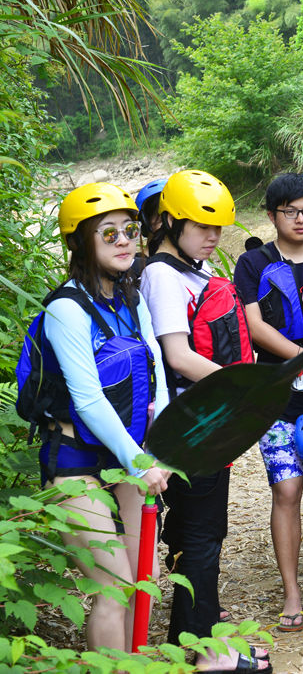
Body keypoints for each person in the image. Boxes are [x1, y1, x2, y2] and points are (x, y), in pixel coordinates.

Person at [26, 182, 170, 652]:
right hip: (73, 460)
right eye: (108, 234)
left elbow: (158, 373)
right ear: (79, 243)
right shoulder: (66, 310)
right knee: (113, 588)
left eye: (130, 230)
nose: (125, 240)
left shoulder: (131, 298)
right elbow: (87, 399)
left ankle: (135, 663)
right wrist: (140, 461)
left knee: (140, 582)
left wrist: (158, 447)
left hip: (126, 456)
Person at [141, 170, 269, 673]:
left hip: (205, 422)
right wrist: (243, 387)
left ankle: (196, 637)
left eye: (218, 227)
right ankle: (203, 650)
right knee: (198, 534)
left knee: (204, 529)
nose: (212, 236)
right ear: (171, 220)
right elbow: (178, 355)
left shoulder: (189, 270)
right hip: (187, 426)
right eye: (200, 225)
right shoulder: (162, 275)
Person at [233, 173, 303, 635]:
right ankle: (291, 590)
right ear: (272, 215)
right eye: (291, 212)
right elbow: (256, 327)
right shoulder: (254, 263)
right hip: (276, 390)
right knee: (286, 489)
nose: (302, 219)